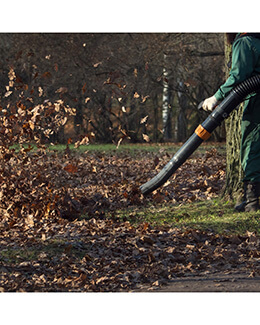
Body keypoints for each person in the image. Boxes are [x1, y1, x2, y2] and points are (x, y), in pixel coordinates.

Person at [202, 33, 260, 212]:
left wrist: (217, 97)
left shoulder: (245, 41)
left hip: (258, 104)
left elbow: (238, 76)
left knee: (252, 147)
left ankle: (253, 201)